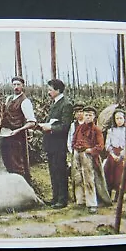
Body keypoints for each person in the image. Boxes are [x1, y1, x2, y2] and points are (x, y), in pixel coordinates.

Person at [39, 79, 73, 209]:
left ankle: (62, 199)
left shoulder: (66, 104)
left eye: (50, 89)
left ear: (58, 90)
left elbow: (65, 126)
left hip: (59, 144)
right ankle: (55, 198)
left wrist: (50, 128)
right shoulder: (55, 103)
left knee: (60, 171)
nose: (48, 92)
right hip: (51, 144)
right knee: (53, 171)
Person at [72, 106, 111, 213]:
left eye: (90, 115)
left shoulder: (96, 129)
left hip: (88, 155)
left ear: (94, 117)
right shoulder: (79, 127)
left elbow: (100, 146)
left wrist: (91, 150)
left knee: (89, 179)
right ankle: (81, 200)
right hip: (77, 154)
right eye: (86, 115)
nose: (87, 117)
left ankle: (92, 204)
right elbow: (74, 138)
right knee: (78, 178)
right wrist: (75, 148)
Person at [0, 76, 36, 182]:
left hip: (17, 137)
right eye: (14, 84)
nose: (16, 87)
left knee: (17, 163)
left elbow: (32, 122)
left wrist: (18, 130)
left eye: (18, 85)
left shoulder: (25, 102)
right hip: (6, 134)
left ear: (22, 86)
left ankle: (22, 186)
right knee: (7, 161)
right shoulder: (9, 99)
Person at [104, 108, 126, 201]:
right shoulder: (111, 131)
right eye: (117, 118)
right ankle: (108, 195)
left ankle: (119, 195)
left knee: (120, 175)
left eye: (121, 118)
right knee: (109, 174)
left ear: (124, 119)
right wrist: (113, 154)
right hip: (113, 153)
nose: (119, 121)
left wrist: (122, 154)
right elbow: (107, 144)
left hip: (122, 154)